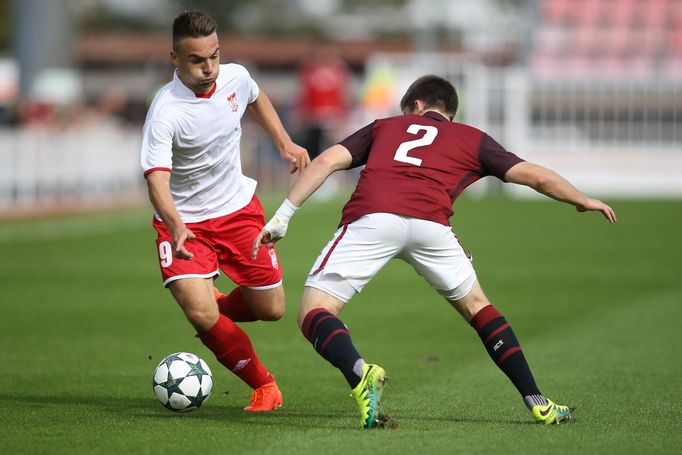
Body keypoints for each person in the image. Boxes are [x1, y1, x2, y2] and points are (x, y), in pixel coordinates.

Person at [253, 75, 617, 428]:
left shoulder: (385, 126)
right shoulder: (473, 138)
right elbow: (535, 176)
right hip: (432, 227)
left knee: (314, 312)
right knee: (479, 308)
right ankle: (537, 401)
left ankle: (359, 373)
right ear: (450, 113)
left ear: (417, 105)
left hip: (373, 218)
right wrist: (581, 199)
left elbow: (326, 161)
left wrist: (283, 217)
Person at [141, 11, 309, 412]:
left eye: (214, 56)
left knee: (272, 310)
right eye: (197, 60)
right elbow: (156, 181)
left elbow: (255, 95)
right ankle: (264, 386)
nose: (209, 67)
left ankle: (214, 312)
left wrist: (284, 142)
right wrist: (176, 225)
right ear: (174, 58)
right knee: (200, 313)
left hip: (238, 211)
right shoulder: (165, 113)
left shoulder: (234, 76)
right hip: (185, 225)